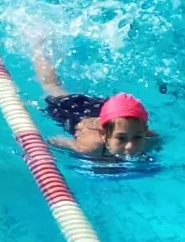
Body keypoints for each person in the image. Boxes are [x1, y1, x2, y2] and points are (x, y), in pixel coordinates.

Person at [29, 43, 157, 160]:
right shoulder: (88, 147)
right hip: (74, 110)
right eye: (121, 138)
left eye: (138, 137)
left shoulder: (148, 137)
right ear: (103, 135)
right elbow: (56, 142)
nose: (130, 146)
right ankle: (39, 49)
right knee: (52, 86)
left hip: (106, 110)